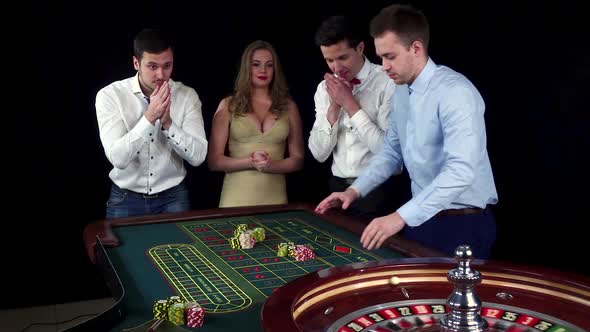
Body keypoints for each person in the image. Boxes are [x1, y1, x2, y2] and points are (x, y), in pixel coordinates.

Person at [315, 4, 498, 259]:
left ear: (416, 48)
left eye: (390, 56)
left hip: (462, 223)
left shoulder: (456, 92)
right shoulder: (401, 90)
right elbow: (391, 152)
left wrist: (400, 217)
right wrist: (354, 191)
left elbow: (461, 171)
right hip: (420, 221)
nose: (384, 66)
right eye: (381, 58)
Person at [95, 28, 208, 219]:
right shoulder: (110, 95)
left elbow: (198, 157)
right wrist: (149, 117)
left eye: (167, 66)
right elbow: (118, 158)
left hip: (174, 197)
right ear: (136, 63)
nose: (161, 75)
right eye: (153, 66)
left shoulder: (187, 96)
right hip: (125, 198)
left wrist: (168, 124)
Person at [308, 16, 397, 221]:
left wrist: (350, 104)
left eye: (342, 58)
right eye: (330, 60)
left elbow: (390, 152)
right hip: (337, 189)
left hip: (378, 191)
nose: (337, 68)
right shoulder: (323, 89)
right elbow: (319, 154)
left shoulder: (388, 82)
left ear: (360, 48)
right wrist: (333, 108)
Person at [208, 40, 304, 207]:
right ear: (247, 68)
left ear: (275, 70)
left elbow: (298, 159)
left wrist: (271, 166)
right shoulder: (228, 105)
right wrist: (250, 162)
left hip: (276, 201)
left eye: (269, 65)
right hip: (235, 201)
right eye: (256, 64)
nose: (263, 70)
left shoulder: (289, 106)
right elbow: (214, 161)